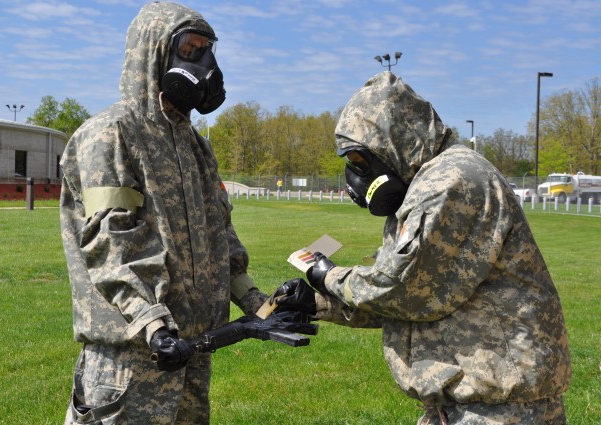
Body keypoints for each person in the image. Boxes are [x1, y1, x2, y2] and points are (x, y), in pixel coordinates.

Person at [273, 71, 571, 424]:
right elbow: (413, 303)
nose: (356, 177)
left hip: (500, 412)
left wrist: (328, 277)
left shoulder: (452, 180)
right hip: (462, 409)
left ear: (393, 142)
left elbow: (402, 290)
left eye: (358, 161)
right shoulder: (420, 186)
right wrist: (318, 304)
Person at [59, 3, 268, 424]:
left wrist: (258, 303)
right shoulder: (110, 134)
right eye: (192, 50)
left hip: (191, 355)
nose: (207, 65)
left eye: (209, 51)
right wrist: (154, 324)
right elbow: (111, 242)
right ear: (155, 54)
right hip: (130, 364)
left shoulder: (196, 146)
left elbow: (220, 237)